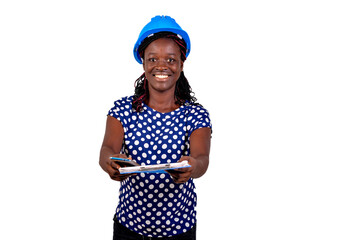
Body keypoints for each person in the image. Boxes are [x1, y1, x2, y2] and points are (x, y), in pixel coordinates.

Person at [99, 15, 212, 240]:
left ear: (181, 64)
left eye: (170, 60)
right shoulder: (122, 109)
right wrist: (110, 163)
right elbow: (106, 150)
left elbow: (202, 158)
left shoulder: (196, 115)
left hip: (179, 231)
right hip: (128, 229)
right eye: (153, 59)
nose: (161, 66)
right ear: (143, 63)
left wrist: (193, 166)